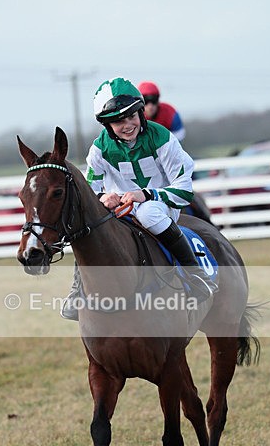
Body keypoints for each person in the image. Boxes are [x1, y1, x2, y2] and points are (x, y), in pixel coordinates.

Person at [61, 77, 217, 320]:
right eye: (118, 121)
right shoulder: (99, 150)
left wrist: (146, 195)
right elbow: (91, 191)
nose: (127, 125)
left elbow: (184, 190)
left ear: (141, 112)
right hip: (121, 210)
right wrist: (103, 198)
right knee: (90, 226)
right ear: (106, 125)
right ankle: (76, 291)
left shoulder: (162, 138)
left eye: (131, 116)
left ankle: (196, 275)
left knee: (147, 212)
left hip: (163, 206)